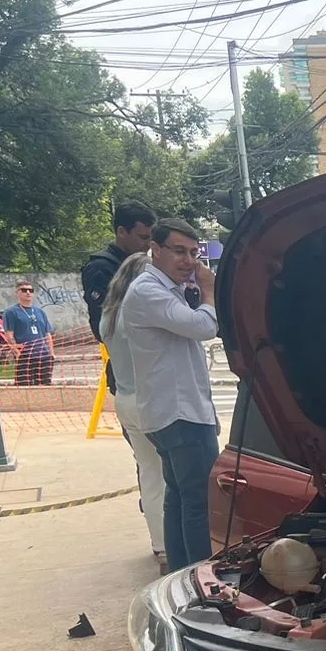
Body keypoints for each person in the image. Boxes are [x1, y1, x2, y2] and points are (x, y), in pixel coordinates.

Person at [121, 219, 220, 570]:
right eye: (179, 251)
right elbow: (205, 327)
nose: (189, 261)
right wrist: (209, 292)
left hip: (171, 411)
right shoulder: (150, 291)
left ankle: (182, 575)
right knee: (198, 502)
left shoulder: (162, 288)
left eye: (194, 253)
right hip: (181, 413)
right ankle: (201, 580)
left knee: (178, 497)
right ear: (156, 250)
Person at [99, 253, 169, 571]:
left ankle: (160, 544)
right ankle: (173, 543)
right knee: (172, 477)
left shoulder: (109, 317)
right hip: (149, 400)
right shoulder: (139, 314)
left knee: (149, 474)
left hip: (124, 399)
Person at [81, 201, 156, 392]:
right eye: (142, 237)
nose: (147, 244)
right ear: (122, 232)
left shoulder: (144, 264)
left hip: (153, 363)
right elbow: (103, 326)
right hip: (128, 367)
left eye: (150, 238)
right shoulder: (101, 268)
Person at [2, 283, 56, 385]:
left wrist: (51, 353)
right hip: (25, 355)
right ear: (17, 293)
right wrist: (16, 352)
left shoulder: (40, 311)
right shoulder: (11, 312)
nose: (28, 292)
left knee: (45, 384)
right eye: (24, 290)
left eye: (30, 290)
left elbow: (47, 334)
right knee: (24, 385)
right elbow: (9, 335)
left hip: (43, 355)